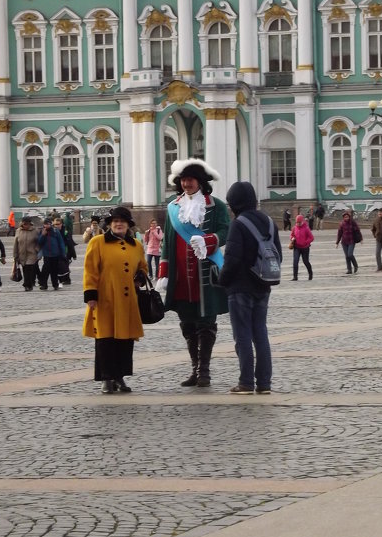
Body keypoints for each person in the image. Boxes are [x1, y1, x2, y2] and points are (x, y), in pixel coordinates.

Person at [157, 158, 230, 388]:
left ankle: (205, 371)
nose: (187, 183)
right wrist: (164, 272)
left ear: (200, 182)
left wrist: (209, 241)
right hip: (181, 278)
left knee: (206, 322)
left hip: (205, 275)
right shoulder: (172, 207)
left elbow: (225, 231)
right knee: (187, 324)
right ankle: (195, 368)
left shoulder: (216, 206)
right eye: (184, 180)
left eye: (191, 179)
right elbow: (167, 242)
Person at [218, 181, 282, 394]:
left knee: (243, 335)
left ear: (234, 203)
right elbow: (277, 255)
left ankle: (246, 382)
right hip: (263, 286)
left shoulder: (238, 224)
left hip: (240, 288)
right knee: (260, 334)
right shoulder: (270, 222)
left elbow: (232, 259)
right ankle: (264, 383)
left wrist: (222, 280)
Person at [83, 206, 148, 394]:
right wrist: (91, 295)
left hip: (127, 301)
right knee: (105, 339)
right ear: (110, 224)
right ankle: (106, 378)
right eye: (115, 221)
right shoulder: (97, 242)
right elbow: (90, 270)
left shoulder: (136, 245)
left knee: (125, 340)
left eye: (122, 221)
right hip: (105, 299)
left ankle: (120, 376)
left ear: (128, 225)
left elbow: (143, 266)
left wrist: (141, 277)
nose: (119, 224)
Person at [37, 218, 65, 290]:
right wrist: (43, 235)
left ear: (51, 224)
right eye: (46, 224)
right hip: (46, 254)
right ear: (44, 225)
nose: (47, 225)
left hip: (55, 254)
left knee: (54, 270)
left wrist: (63, 253)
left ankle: (55, 284)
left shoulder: (55, 231)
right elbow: (39, 242)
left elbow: (61, 242)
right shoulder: (42, 231)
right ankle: (44, 285)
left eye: (48, 224)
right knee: (45, 270)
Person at [13, 216, 40, 291]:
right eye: (24, 224)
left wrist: (37, 250)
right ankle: (28, 284)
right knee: (25, 269)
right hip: (22, 253)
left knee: (29, 268)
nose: (26, 226)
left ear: (30, 224)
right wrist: (15, 255)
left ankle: (27, 284)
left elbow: (39, 242)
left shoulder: (35, 231)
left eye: (27, 224)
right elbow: (16, 243)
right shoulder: (18, 231)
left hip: (32, 253)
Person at [335, 210, 362, 275]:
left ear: (349, 217)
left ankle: (355, 265)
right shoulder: (341, 224)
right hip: (344, 242)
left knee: (350, 254)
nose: (346, 218)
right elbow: (339, 234)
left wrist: (361, 239)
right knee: (347, 256)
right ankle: (349, 269)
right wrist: (337, 242)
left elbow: (358, 231)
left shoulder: (353, 223)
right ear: (343, 218)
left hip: (351, 241)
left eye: (347, 217)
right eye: (345, 217)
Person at [52, 216, 77, 285]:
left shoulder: (65, 232)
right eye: (55, 224)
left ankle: (67, 279)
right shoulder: (52, 232)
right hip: (56, 252)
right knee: (59, 266)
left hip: (66, 252)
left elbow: (70, 244)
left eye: (58, 224)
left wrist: (73, 255)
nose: (56, 226)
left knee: (64, 266)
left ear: (61, 224)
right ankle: (61, 280)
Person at [290, 214, 314, 281]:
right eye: (297, 222)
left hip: (305, 248)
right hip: (296, 247)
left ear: (302, 221)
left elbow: (311, 238)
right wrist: (292, 238)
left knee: (305, 261)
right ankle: (295, 277)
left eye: (299, 222)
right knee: (295, 261)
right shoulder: (294, 228)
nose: (298, 224)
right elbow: (291, 235)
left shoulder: (306, 228)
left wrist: (306, 242)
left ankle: (310, 274)